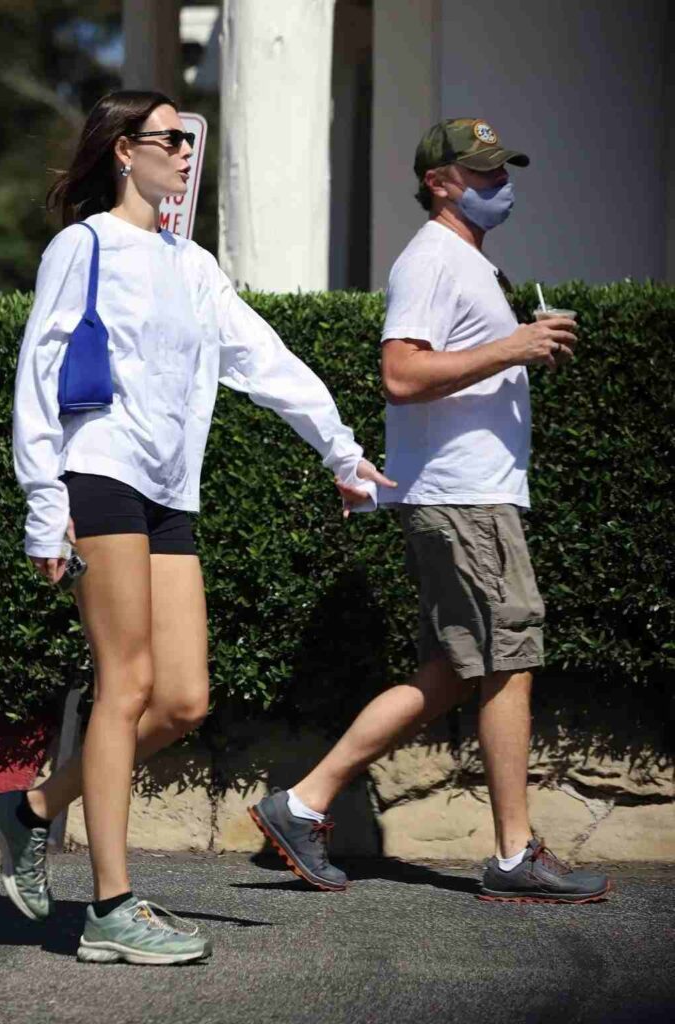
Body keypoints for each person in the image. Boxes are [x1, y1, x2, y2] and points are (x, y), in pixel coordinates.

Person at [0, 90, 391, 965]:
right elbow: (38, 373)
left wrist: (340, 453)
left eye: (191, 140)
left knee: (183, 700)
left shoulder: (191, 264)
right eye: (172, 139)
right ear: (125, 151)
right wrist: (44, 507)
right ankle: (110, 911)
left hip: (171, 490)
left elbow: (262, 358)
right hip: (100, 472)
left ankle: (32, 810)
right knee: (123, 687)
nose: (185, 153)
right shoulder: (82, 246)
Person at [251, 118, 611, 905]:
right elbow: (401, 373)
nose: (498, 185)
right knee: (507, 660)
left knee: (453, 670)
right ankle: (515, 856)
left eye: (500, 172)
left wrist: (515, 349)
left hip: (467, 495)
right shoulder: (432, 260)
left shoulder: (467, 261)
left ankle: (302, 802)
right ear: (440, 182)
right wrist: (513, 347)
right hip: (463, 498)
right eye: (482, 175)